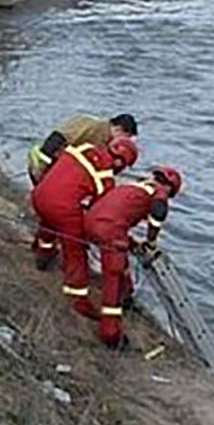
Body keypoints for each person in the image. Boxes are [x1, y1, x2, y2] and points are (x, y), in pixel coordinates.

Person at [32, 137, 139, 322]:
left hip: (40, 194)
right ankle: (78, 298)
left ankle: (43, 255)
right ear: (120, 160)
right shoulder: (105, 176)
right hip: (62, 208)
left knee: (49, 223)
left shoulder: (85, 146)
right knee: (76, 251)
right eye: (123, 165)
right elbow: (99, 215)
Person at [84, 166, 182, 347]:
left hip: (91, 221)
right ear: (169, 188)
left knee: (122, 260)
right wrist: (151, 242)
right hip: (109, 229)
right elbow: (158, 214)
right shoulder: (159, 193)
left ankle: (127, 296)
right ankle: (111, 335)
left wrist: (133, 244)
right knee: (112, 278)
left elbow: (114, 217)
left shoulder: (134, 187)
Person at [27, 113, 138, 185]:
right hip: (43, 160)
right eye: (125, 138)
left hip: (53, 164)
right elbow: (56, 140)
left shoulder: (104, 139)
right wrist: (41, 170)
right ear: (119, 130)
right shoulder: (92, 127)